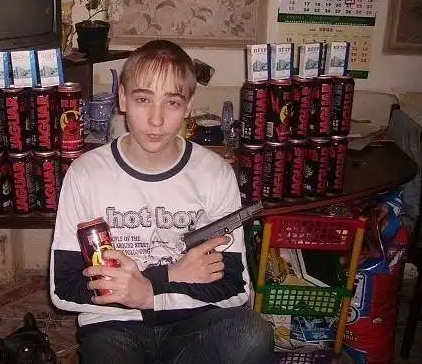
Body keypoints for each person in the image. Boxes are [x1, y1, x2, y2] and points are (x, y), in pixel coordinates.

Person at [50, 39, 274, 364]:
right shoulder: (85, 173)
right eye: (143, 99)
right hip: (114, 324)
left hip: (194, 317)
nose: (156, 120)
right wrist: (165, 278)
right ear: (122, 98)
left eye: (172, 102)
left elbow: (235, 287)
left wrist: (150, 295)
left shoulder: (215, 173)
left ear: (189, 106)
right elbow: (64, 288)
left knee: (253, 335)